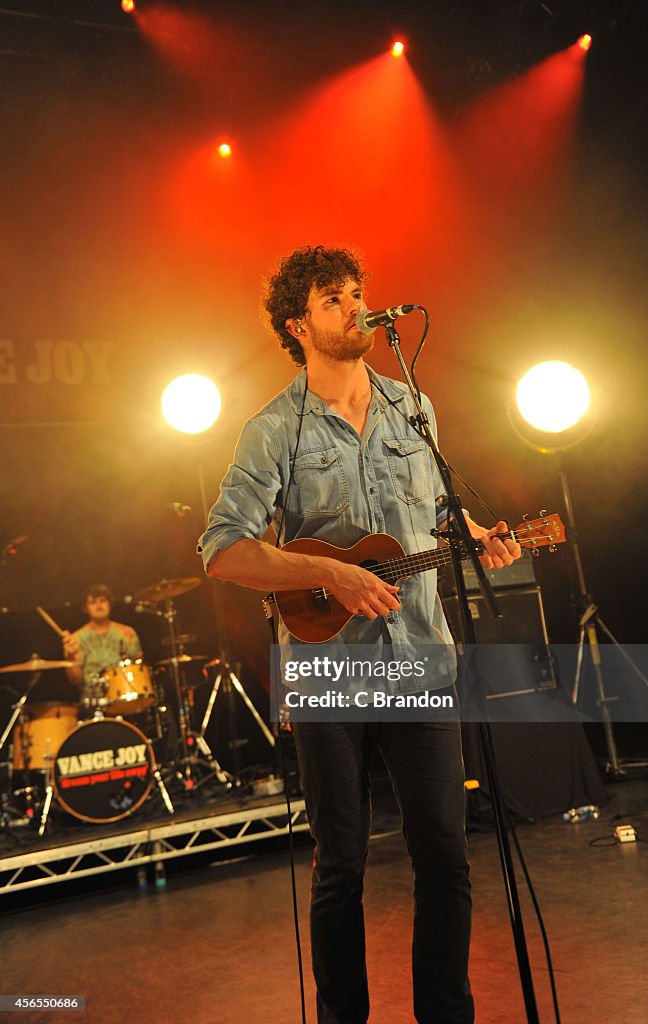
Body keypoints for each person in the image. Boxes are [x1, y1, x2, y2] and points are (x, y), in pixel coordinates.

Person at [198, 245, 521, 1024]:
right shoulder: (270, 429)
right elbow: (223, 550)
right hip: (328, 667)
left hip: (421, 660)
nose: (356, 308)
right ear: (296, 324)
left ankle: (446, 1014)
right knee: (341, 865)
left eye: (357, 293)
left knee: (445, 855)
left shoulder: (415, 405)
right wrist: (335, 576)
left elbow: (434, 517)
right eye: (334, 300)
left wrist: (476, 533)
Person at [62, 583, 143, 694]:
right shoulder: (75, 639)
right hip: (92, 700)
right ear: (86, 608)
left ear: (110, 604)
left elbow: (139, 669)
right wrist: (71, 657)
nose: (98, 605)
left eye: (102, 600)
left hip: (125, 694)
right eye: (93, 602)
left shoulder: (127, 633)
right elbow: (75, 680)